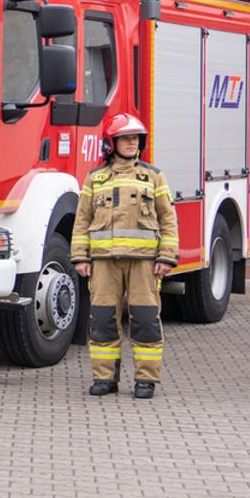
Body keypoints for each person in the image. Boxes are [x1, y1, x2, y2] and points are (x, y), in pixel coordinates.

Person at [73, 114, 180, 400]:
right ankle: (104, 378)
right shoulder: (95, 178)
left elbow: (168, 219)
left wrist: (166, 257)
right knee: (103, 320)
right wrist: (80, 258)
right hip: (103, 263)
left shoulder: (152, 176)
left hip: (144, 263)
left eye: (136, 138)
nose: (132, 143)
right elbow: (81, 220)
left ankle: (146, 380)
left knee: (145, 321)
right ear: (112, 143)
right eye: (125, 138)